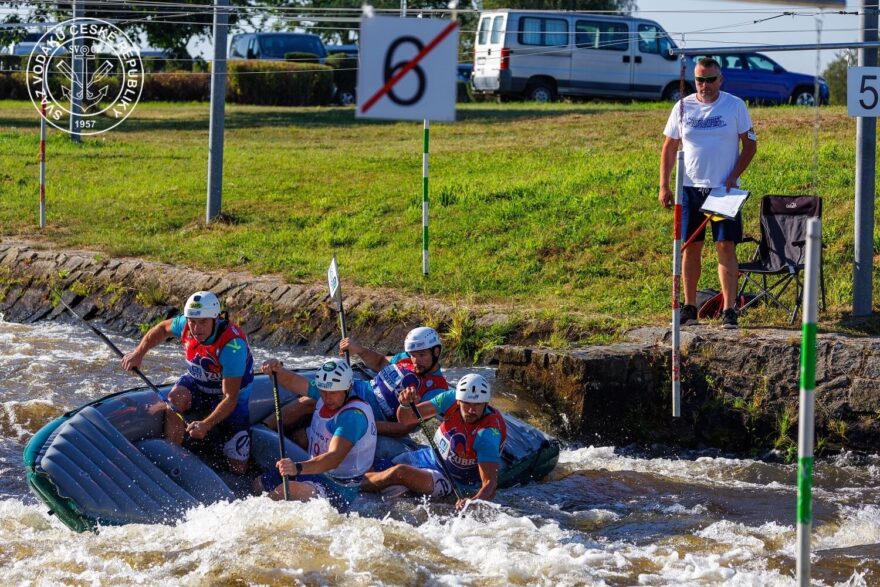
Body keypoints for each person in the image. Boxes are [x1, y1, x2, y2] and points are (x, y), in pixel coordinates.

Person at [659, 57, 757, 329]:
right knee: (690, 248)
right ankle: (690, 307)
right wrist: (664, 185)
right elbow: (669, 147)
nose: (705, 85)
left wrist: (734, 175)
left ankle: (729, 309)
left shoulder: (735, 105)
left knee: (725, 246)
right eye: (700, 80)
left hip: (723, 190)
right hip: (690, 189)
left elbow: (749, 145)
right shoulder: (682, 107)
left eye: (711, 79)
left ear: (720, 79)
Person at [120, 291, 254, 473]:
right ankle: (173, 459)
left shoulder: (232, 347)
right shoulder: (185, 324)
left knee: (238, 467)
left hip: (229, 395)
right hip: (198, 383)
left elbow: (230, 398)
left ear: (216, 318)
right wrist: (138, 353)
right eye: (192, 321)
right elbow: (162, 329)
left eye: (203, 322)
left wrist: (206, 424)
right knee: (174, 400)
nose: (196, 328)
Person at [266, 327, 448, 457]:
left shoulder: (437, 390)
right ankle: (265, 428)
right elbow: (378, 362)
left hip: (376, 415)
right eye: (413, 355)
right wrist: (357, 349)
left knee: (301, 438)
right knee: (309, 400)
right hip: (362, 388)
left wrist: (365, 423)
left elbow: (404, 427)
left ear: (436, 352)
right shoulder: (404, 358)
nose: (415, 361)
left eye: (422, 355)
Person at [361, 373, 507, 511]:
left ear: (486, 403)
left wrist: (472, 503)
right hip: (430, 457)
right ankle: (356, 480)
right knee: (380, 460)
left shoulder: (487, 436)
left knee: (400, 473)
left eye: (478, 404)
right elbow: (406, 419)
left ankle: (354, 486)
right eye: (467, 403)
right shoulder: (449, 399)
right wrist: (405, 404)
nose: (471, 410)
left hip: (451, 481)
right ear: (459, 400)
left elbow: (490, 484)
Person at [255, 358, 377, 511]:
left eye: (332, 393)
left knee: (289, 490)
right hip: (318, 473)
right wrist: (277, 370)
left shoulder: (352, 416)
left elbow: (333, 459)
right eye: (323, 392)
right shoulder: (326, 392)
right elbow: (293, 380)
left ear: (348, 388)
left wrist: (297, 468)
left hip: (342, 490)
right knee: (260, 483)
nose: (326, 398)